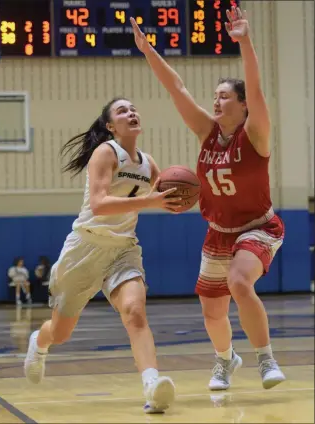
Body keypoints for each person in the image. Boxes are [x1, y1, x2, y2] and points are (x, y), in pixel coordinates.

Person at [131, 6, 286, 391]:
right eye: (214, 97)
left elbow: (255, 84)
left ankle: (265, 358)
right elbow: (176, 88)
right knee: (212, 312)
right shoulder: (206, 132)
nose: (216, 102)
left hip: (258, 227)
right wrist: (148, 51)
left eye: (224, 97)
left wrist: (245, 40)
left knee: (239, 280)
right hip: (218, 231)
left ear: (243, 103)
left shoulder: (256, 132)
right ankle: (224, 360)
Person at [24, 97, 182, 413]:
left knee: (135, 312)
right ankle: (39, 343)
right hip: (85, 247)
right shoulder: (106, 152)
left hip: (122, 249)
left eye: (134, 108)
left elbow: (172, 195)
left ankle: (152, 385)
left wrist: (190, 197)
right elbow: (99, 203)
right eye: (122, 110)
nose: (131, 112)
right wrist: (150, 202)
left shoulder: (148, 163)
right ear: (111, 126)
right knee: (61, 333)